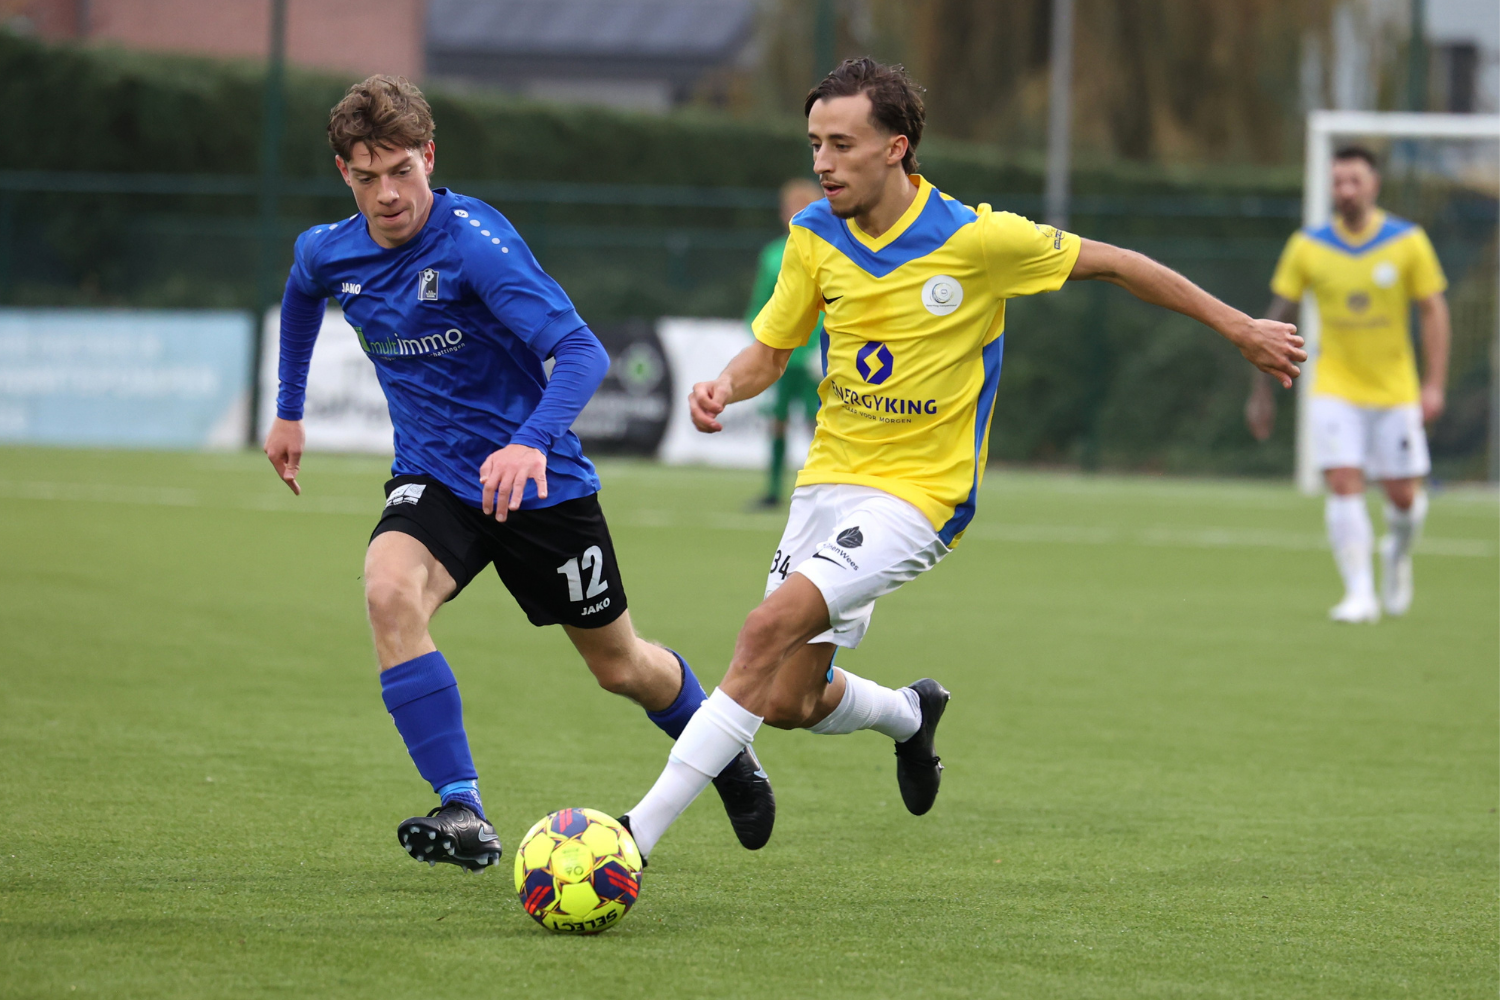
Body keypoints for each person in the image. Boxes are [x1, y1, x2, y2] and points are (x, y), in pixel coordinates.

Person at [617, 58, 1305, 861]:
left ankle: (634, 835)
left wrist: (1242, 329)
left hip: (922, 496)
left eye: (841, 145)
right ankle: (910, 714)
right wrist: (722, 389)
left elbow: (1121, 265)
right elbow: (771, 353)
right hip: (830, 481)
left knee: (765, 627)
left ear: (895, 148)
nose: (822, 164)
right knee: (787, 699)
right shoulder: (812, 237)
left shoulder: (980, 240)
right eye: (814, 144)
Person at [261, 76, 773, 872]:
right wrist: (289, 408)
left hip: (544, 489)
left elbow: (582, 353)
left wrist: (531, 441)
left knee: (621, 667)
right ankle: (463, 808)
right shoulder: (331, 250)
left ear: (429, 157)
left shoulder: (474, 243)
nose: (388, 194)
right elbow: (300, 294)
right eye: (368, 178)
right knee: (388, 591)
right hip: (435, 482)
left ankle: (726, 753)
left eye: (402, 170)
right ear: (344, 174)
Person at [1245, 145, 1449, 623]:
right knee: (1342, 480)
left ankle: (1397, 555)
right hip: (1334, 385)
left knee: (1403, 496)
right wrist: (1259, 388)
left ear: (1374, 185)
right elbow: (1276, 316)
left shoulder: (1407, 241)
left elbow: (1434, 310)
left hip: (1395, 389)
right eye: (1338, 182)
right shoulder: (1308, 245)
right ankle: (1359, 594)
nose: (1345, 191)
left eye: (1354, 180)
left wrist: (1434, 383)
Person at [748, 179, 826, 508]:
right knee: (776, 421)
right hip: (780, 357)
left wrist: (826, 347)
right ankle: (773, 490)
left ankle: (821, 491)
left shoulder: (827, 250)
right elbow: (760, 304)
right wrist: (756, 340)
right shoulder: (771, 255)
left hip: (812, 356)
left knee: (819, 425)